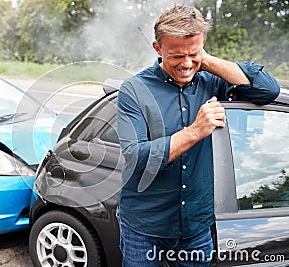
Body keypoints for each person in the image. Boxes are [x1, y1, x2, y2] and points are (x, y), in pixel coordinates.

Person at [116, 3, 280, 267]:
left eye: (193, 53)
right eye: (176, 56)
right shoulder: (133, 90)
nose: (187, 64)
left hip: (196, 227)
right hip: (143, 226)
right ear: (158, 49)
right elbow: (136, 157)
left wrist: (206, 60)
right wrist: (195, 131)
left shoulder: (213, 81)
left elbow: (267, 91)